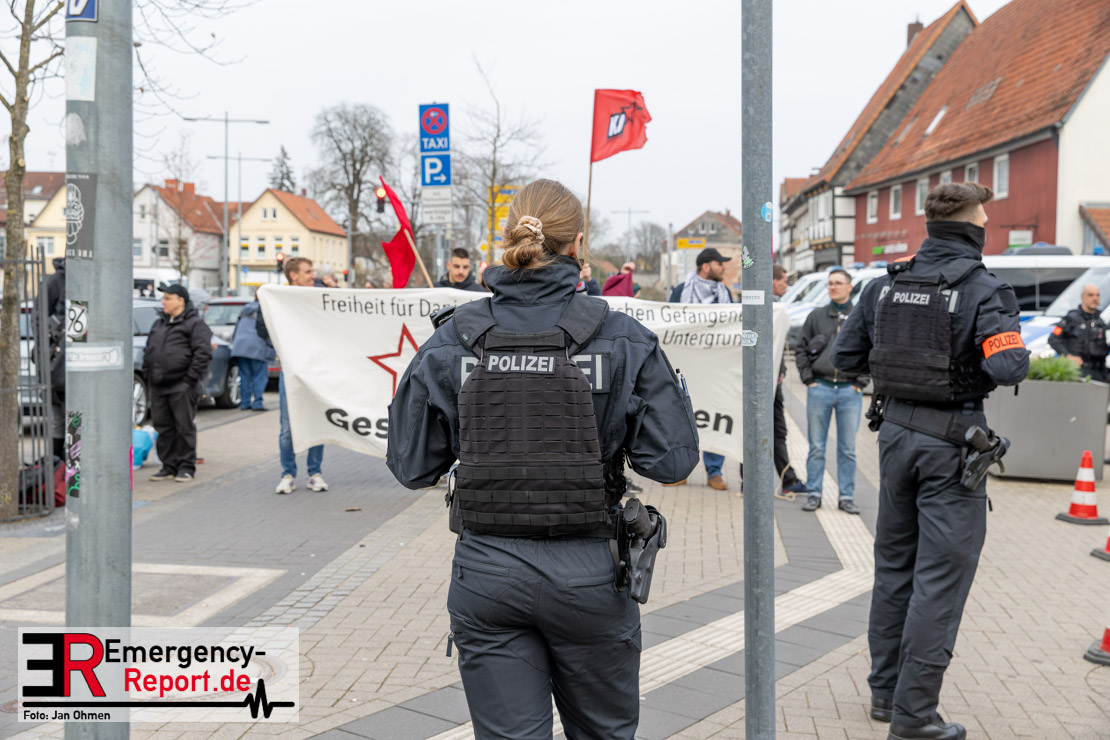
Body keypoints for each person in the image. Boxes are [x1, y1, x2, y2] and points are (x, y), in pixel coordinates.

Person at [386, 178, 699, 739]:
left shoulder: (454, 339)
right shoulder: (622, 337)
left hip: (487, 572)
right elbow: (671, 463)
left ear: (508, 239)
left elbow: (411, 467)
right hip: (591, 574)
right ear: (578, 244)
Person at [831, 182, 1029, 740]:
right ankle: (915, 716)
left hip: (894, 440)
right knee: (939, 581)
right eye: (984, 221)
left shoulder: (883, 286)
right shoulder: (985, 289)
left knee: (894, 570)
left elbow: (844, 356)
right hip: (951, 449)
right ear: (972, 229)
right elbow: (1009, 368)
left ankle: (885, 694)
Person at [795, 269, 867, 514]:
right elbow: (801, 348)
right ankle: (814, 494)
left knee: (847, 449)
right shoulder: (816, 316)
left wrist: (860, 382)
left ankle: (846, 497)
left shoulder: (860, 316)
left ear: (849, 287)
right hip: (821, 388)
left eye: (838, 283)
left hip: (849, 391)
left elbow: (872, 348)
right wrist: (808, 378)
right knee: (816, 447)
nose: (833, 287)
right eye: (830, 283)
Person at [668, 247, 732, 490]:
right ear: (706, 266)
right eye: (720, 263)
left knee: (715, 416)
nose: (723, 267)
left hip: (716, 368)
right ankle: (681, 470)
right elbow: (669, 323)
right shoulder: (681, 291)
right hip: (688, 367)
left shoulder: (724, 294)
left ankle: (714, 472)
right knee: (683, 418)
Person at [266, 256, 329, 494]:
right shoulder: (279, 299)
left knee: (316, 422)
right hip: (291, 371)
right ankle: (288, 474)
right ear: (294, 275)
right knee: (287, 427)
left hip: (316, 370)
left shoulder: (320, 298)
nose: (314, 276)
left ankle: (315, 473)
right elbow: (264, 328)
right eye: (308, 271)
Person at [146, 285, 213, 482]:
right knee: (163, 427)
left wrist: (188, 380)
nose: (163, 302)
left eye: (168, 298)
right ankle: (168, 466)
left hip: (182, 385)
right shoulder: (159, 324)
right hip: (159, 385)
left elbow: (202, 354)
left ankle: (186, 466)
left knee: (183, 427)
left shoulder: (194, 325)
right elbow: (149, 350)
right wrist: (150, 375)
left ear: (180, 301)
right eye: (163, 298)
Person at [773, 264, 806, 493]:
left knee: (773, 430)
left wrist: (782, 367)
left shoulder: (777, 307)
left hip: (774, 377)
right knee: (774, 429)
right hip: (768, 381)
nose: (787, 285)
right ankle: (788, 479)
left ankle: (787, 478)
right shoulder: (770, 308)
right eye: (784, 280)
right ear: (773, 281)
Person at [1048, 284, 1108, 381]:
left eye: (1097, 295)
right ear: (1082, 297)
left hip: (1100, 371)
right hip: (1080, 372)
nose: (1095, 298)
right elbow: (1053, 339)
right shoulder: (1072, 318)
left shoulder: (1101, 320)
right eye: (1091, 295)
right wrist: (1068, 356)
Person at [231, 300, 274, 411]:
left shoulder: (245, 309)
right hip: (257, 346)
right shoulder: (265, 308)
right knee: (259, 376)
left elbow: (236, 329)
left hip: (240, 346)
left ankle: (245, 403)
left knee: (244, 376)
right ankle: (257, 403)